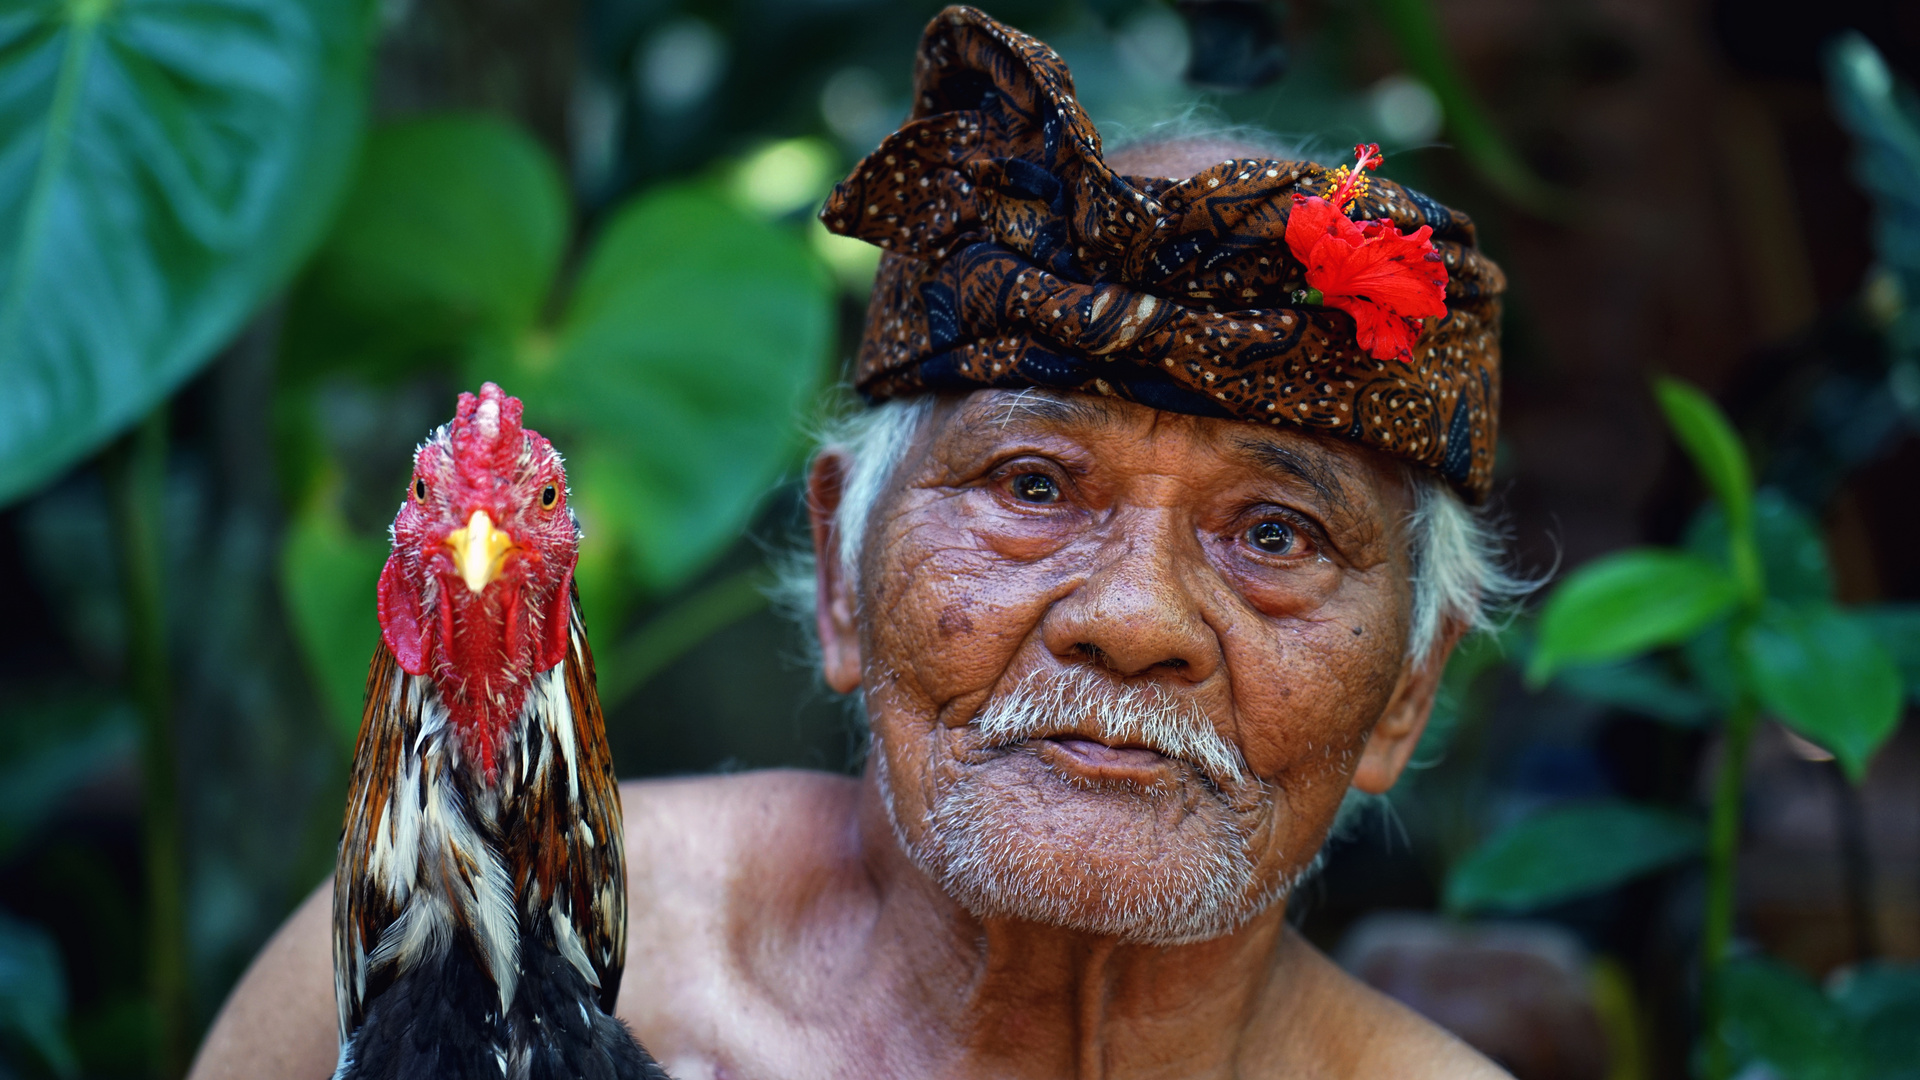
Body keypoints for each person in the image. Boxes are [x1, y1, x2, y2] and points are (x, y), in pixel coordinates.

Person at [190, 7, 1520, 1078]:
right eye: (1035, 484)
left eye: (1275, 533)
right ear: (839, 571)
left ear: (1408, 687)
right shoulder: (450, 961)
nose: (1133, 615)